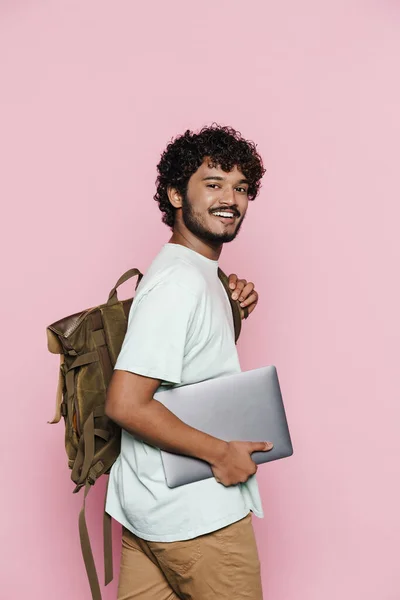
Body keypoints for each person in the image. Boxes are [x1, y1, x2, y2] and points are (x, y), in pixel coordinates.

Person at [105, 124, 273, 599]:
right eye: (213, 183)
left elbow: (190, 363)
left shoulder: (196, 274)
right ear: (176, 195)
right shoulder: (179, 284)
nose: (231, 198)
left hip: (151, 512)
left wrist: (231, 307)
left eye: (241, 187)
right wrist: (223, 455)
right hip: (200, 520)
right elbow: (127, 404)